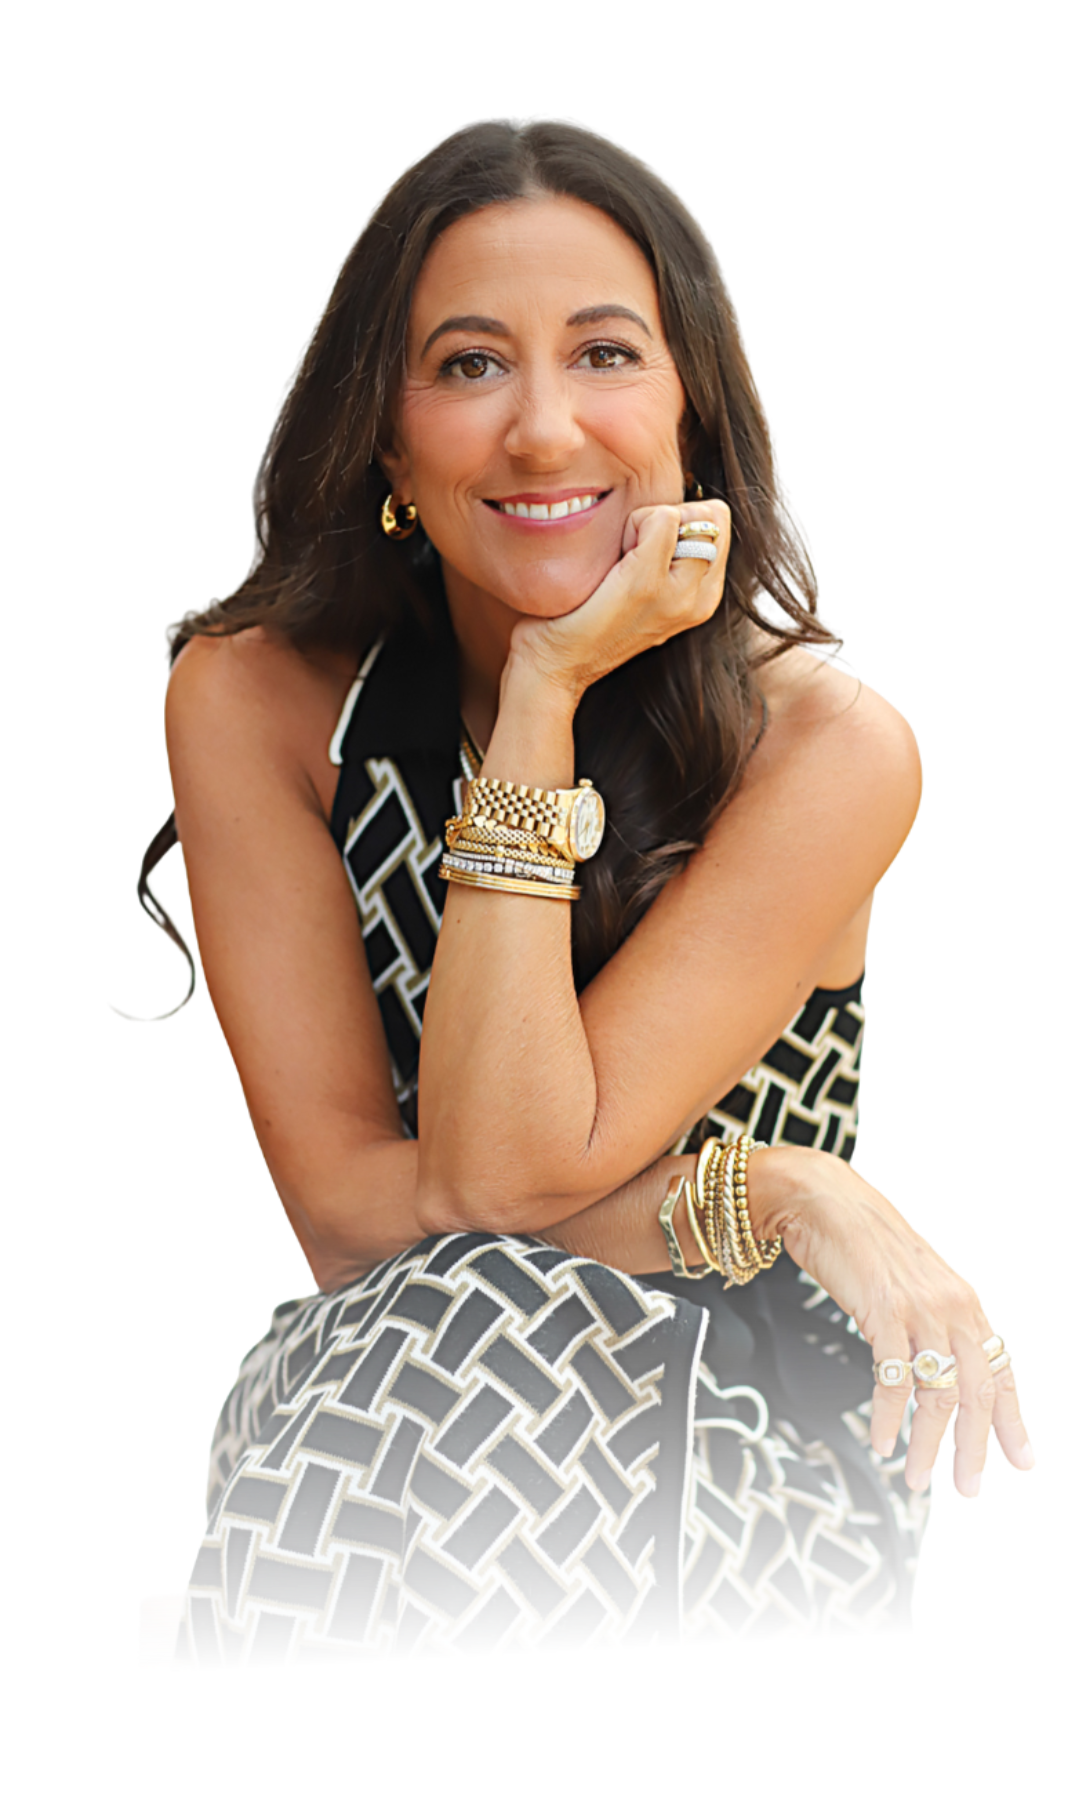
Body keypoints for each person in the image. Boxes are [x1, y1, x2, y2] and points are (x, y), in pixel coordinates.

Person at [115, 117, 1032, 1667]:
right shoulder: (250, 697)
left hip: (748, 1420)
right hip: (379, 1384)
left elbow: (499, 1178)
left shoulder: (823, 743)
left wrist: (541, 695)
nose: (543, 429)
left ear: (691, 411)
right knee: (465, 1316)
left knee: (492, 1314)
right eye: (470, 366)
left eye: (606, 355)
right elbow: (353, 1208)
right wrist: (782, 1189)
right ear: (391, 441)